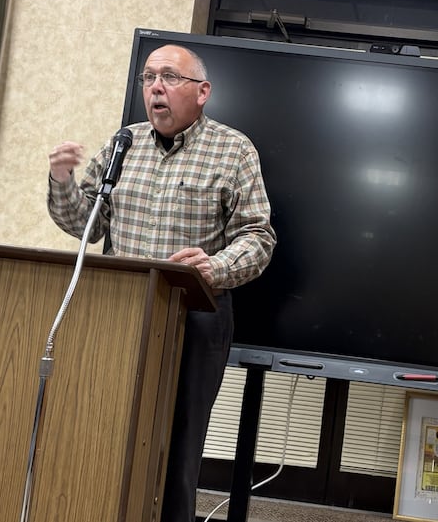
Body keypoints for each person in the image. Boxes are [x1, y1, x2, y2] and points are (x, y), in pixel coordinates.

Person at [47, 44, 276, 522]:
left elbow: (258, 238)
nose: (155, 86)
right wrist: (63, 179)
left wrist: (213, 267)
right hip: (118, 309)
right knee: (101, 425)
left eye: (170, 77)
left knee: (177, 441)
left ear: (202, 92)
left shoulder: (234, 149)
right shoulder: (123, 143)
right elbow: (86, 224)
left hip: (194, 315)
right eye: (149, 77)